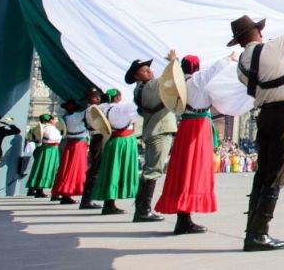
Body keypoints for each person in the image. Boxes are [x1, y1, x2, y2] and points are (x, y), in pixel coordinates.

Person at [230, 14, 284, 252]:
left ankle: (251, 231)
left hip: (264, 114)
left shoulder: (241, 66)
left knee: (263, 173)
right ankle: (259, 234)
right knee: (277, 172)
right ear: (255, 32)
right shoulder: (273, 48)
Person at [155, 53, 237, 235]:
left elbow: (175, 74)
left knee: (183, 170)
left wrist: (172, 62)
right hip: (198, 127)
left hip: (186, 124)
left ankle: (183, 218)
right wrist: (228, 58)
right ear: (197, 68)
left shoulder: (180, 83)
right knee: (194, 170)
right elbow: (214, 69)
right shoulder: (197, 81)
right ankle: (185, 220)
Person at [126, 50, 178, 222]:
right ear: (136, 76)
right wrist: (173, 61)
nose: (149, 71)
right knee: (153, 170)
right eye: (143, 70)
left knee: (150, 169)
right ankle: (143, 210)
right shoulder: (150, 86)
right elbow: (171, 79)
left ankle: (141, 208)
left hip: (153, 130)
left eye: (149, 68)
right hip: (160, 130)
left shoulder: (140, 89)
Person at [92, 88, 140, 215]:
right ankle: (111, 204)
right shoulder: (123, 108)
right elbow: (138, 115)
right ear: (118, 97)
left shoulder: (105, 109)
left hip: (113, 140)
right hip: (124, 141)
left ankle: (109, 202)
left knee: (111, 171)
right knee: (119, 170)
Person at [52, 100, 89, 204]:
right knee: (74, 168)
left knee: (66, 168)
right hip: (78, 143)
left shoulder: (64, 118)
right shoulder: (78, 115)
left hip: (71, 142)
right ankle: (67, 191)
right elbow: (89, 111)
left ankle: (64, 191)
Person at [26, 114, 62, 198]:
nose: (55, 120)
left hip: (46, 149)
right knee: (45, 168)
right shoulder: (49, 128)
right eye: (53, 119)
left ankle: (33, 188)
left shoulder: (40, 128)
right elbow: (54, 138)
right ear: (50, 120)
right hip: (49, 149)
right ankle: (39, 190)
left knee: (39, 168)